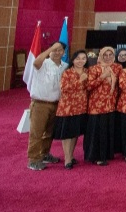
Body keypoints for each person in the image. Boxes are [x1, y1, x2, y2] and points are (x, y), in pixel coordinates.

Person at [26, 41, 68, 170]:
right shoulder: (43, 63)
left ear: (64, 53)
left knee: (49, 132)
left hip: (56, 104)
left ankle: (44, 154)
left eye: (59, 50)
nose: (56, 52)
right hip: (40, 104)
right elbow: (36, 62)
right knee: (36, 133)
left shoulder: (65, 66)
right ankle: (33, 159)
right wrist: (51, 47)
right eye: (54, 50)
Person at [84, 46, 120, 166]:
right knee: (97, 131)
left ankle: (107, 154)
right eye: (105, 55)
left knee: (107, 131)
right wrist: (102, 77)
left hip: (111, 105)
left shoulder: (117, 67)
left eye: (110, 55)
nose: (108, 57)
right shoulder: (94, 69)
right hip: (96, 106)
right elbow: (89, 86)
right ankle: (96, 156)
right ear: (101, 56)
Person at [53, 50, 88, 169]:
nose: (81, 61)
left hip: (81, 107)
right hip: (68, 107)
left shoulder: (87, 72)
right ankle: (67, 158)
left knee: (75, 133)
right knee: (67, 133)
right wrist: (80, 81)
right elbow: (64, 88)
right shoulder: (67, 73)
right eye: (78, 58)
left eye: (83, 58)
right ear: (73, 60)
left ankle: (71, 156)